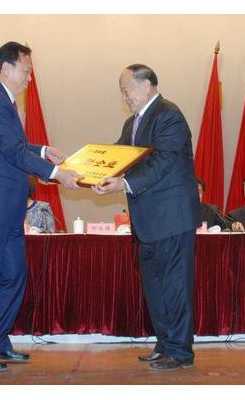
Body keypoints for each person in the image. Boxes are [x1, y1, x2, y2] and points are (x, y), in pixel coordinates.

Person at [0, 41, 82, 373]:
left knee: (14, 273)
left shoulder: (1, 100)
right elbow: (10, 150)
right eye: (26, 71)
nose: (29, 78)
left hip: (6, 209)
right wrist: (55, 174)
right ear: (6, 68)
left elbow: (13, 146)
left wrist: (43, 152)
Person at [92, 64, 200, 371]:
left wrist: (123, 184)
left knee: (175, 287)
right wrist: (84, 170)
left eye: (127, 89)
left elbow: (164, 161)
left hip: (171, 218)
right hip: (147, 221)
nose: (124, 96)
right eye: (122, 91)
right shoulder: (133, 122)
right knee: (155, 288)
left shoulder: (168, 115)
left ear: (148, 84)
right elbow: (117, 155)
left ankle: (180, 351)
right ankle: (165, 344)